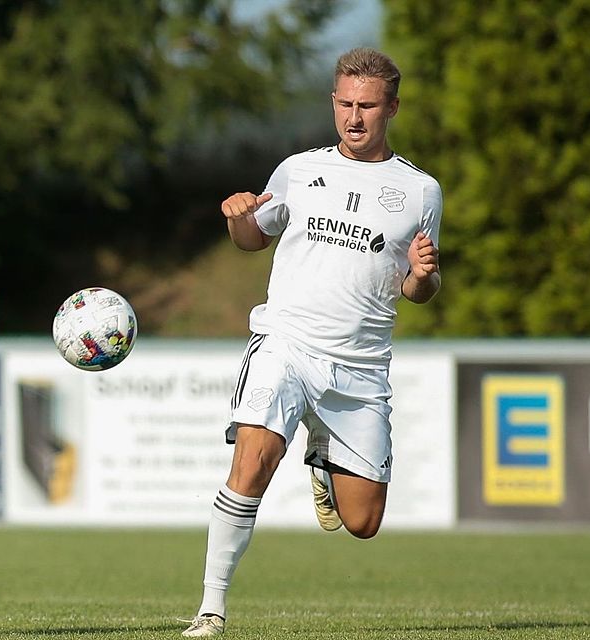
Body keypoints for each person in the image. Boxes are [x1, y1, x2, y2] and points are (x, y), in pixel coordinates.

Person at [181, 48, 442, 637]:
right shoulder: (298, 170)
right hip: (286, 344)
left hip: (359, 367)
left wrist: (424, 276)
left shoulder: (421, 191)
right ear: (333, 103)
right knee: (253, 461)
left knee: (363, 521)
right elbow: (253, 238)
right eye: (345, 104)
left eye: (367, 106)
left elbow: (419, 287)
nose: (354, 116)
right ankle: (211, 609)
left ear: (392, 108)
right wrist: (238, 217)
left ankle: (322, 455)